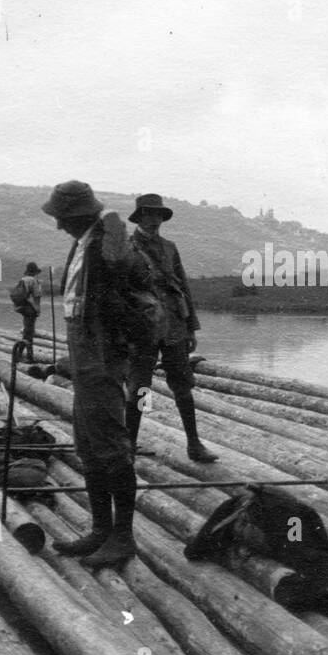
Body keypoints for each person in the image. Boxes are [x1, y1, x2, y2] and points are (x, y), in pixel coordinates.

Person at [42, 181, 148, 567]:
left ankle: (123, 537)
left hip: (102, 358)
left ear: (78, 215)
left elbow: (123, 273)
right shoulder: (84, 241)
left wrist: (115, 225)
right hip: (85, 358)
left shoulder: (109, 238)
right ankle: (102, 529)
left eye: (61, 219)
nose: (58, 226)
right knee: (87, 445)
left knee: (110, 447)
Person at [125, 194, 217, 463]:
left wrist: (191, 328)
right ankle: (130, 444)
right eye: (149, 215)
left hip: (174, 326)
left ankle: (194, 444)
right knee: (141, 388)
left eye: (158, 215)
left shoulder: (169, 247)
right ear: (139, 217)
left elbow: (183, 287)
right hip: (142, 329)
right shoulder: (127, 248)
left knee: (183, 385)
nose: (154, 220)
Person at [15, 262, 44, 361]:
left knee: (27, 331)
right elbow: (37, 296)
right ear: (34, 272)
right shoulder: (34, 281)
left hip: (23, 308)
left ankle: (27, 355)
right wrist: (38, 309)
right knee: (29, 333)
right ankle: (24, 356)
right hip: (31, 308)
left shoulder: (22, 279)